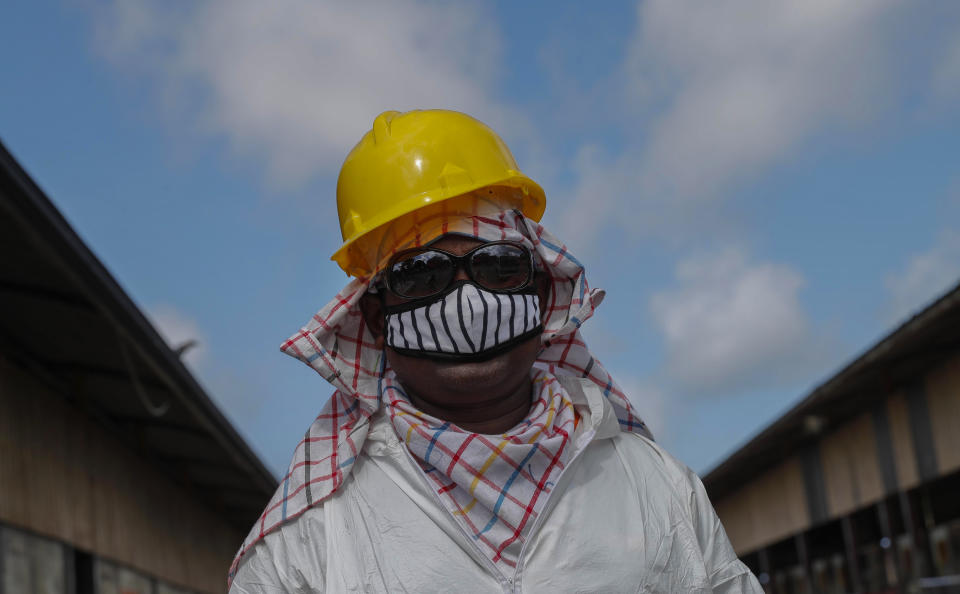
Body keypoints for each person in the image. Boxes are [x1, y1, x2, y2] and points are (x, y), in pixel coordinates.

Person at [228, 110, 763, 593]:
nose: (470, 302)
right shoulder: (308, 540)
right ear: (374, 316)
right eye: (422, 274)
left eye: (499, 267)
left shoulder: (657, 487)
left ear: (539, 290)